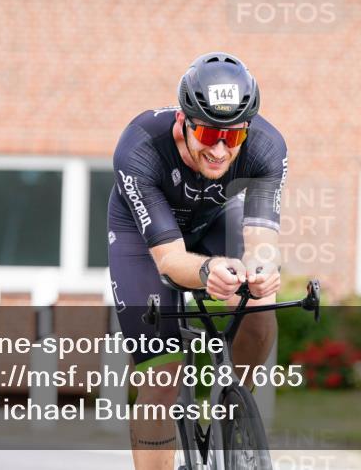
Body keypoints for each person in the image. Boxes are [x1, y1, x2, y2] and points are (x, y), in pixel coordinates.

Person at [107, 52, 287, 470]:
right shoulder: (140, 147)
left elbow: (262, 239)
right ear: (183, 123)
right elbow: (169, 260)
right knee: (160, 380)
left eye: (233, 137)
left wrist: (261, 271)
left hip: (213, 220)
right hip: (143, 236)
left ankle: (231, 407)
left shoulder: (266, 147)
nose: (221, 149)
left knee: (259, 308)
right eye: (208, 133)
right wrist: (207, 271)